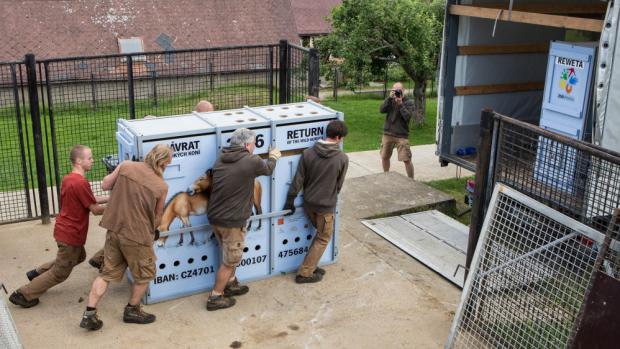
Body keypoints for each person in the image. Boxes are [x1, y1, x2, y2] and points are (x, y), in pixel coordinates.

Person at [80, 144, 172, 330]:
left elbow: (105, 184)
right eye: (168, 163)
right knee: (145, 274)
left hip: (114, 229)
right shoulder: (161, 186)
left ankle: (89, 312)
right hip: (137, 236)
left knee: (106, 273)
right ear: (161, 162)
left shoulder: (126, 166)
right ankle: (132, 310)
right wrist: (152, 230)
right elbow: (158, 215)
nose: (167, 166)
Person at [9, 145, 107, 308]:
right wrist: (118, 205)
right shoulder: (80, 183)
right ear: (78, 160)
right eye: (89, 158)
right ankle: (24, 294)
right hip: (71, 235)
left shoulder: (69, 179)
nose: (93, 161)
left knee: (78, 257)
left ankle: (37, 274)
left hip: (64, 230)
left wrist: (111, 197)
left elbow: (89, 198)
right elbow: (95, 210)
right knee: (60, 272)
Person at [206, 128, 281, 311]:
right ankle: (215, 297)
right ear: (247, 145)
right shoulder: (251, 160)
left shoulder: (221, 157)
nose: (255, 147)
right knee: (230, 260)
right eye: (254, 144)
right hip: (232, 220)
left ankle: (231, 284)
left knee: (231, 254)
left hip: (215, 216)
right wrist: (273, 157)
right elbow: (268, 169)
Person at [283, 120, 349, 283]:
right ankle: (305, 273)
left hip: (308, 204)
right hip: (325, 206)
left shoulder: (308, 153)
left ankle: (310, 265)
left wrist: (290, 200)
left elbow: (298, 179)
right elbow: (339, 185)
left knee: (319, 234)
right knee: (323, 237)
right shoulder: (342, 158)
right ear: (339, 137)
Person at [379, 82, 415, 179]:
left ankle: (411, 180)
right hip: (388, 133)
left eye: (398, 90)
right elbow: (381, 110)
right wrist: (389, 98)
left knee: (406, 159)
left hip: (402, 135)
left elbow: (407, 117)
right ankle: (386, 176)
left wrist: (400, 104)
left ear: (403, 91)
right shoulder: (390, 100)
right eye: (394, 90)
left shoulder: (409, 102)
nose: (396, 92)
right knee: (384, 157)